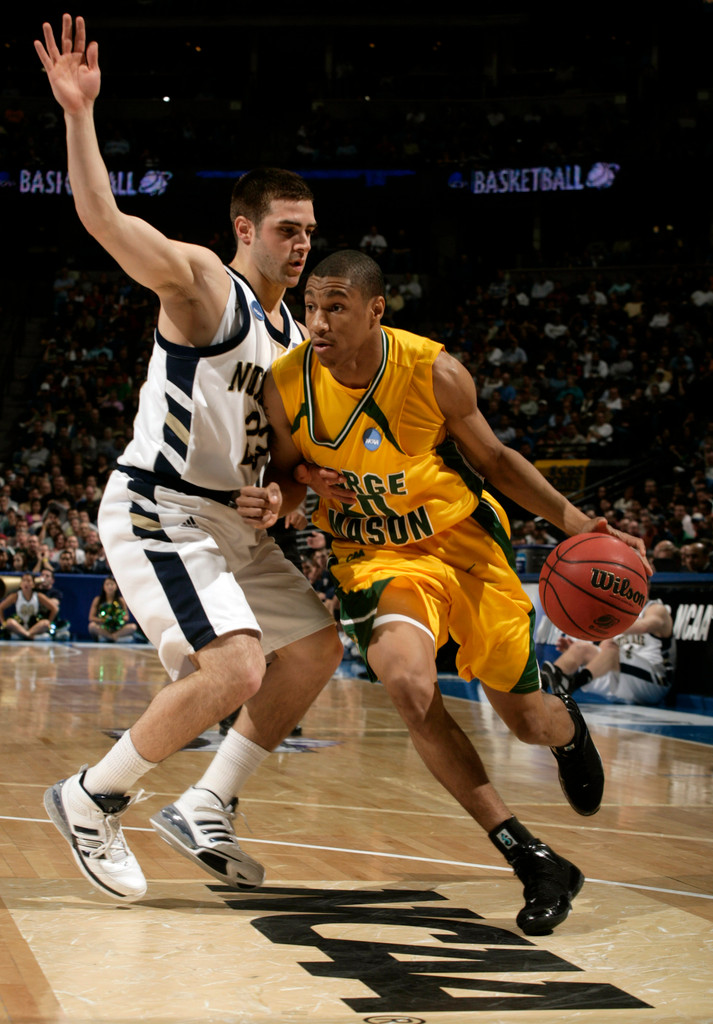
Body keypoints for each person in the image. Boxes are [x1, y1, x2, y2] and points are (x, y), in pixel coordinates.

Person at [241, 250, 650, 936]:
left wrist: (578, 524)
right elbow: (286, 475)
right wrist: (289, 492)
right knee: (407, 683)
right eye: (310, 306)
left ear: (376, 310)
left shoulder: (434, 372)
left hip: (462, 545)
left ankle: (565, 725)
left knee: (527, 722)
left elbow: (495, 461)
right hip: (376, 558)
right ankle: (531, 857)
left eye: (336, 307)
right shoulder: (286, 383)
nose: (318, 321)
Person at [36, 15, 342, 904]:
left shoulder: (298, 341)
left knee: (314, 648)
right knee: (237, 668)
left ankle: (208, 801)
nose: (302, 244)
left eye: (309, 231)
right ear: (245, 228)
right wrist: (79, 114)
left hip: (233, 526)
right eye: (286, 229)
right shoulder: (208, 284)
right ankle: (91, 798)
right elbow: (102, 218)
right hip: (161, 505)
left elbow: (288, 470)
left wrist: (281, 502)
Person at [540, 601, 675, 706]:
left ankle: (572, 685)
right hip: (622, 674)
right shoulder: (618, 616)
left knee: (611, 648)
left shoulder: (656, 609)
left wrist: (601, 623)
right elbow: (604, 649)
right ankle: (542, 690)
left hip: (655, 681)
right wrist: (577, 652)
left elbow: (644, 626)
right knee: (580, 648)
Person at [0, 572, 56, 640]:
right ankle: (30, 636)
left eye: (29, 581)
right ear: (20, 584)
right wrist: (3, 623)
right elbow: (1, 607)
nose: (26, 583)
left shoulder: (38, 596)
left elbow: (54, 608)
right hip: (19, 625)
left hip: (34, 625)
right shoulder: (15, 596)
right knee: (9, 622)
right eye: (24, 580)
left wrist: (49, 622)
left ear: (33, 585)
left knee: (45, 623)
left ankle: (24, 635)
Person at [88, 576, 138, 642]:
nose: (110, 587)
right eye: (107, 584)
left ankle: (109, 637)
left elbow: (126, 617)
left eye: (112, 584)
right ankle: (113, 638)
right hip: (104, 627)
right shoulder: (98, 600)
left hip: (117, 628)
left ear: (116, 586)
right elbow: (91, 618)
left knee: (133, 627)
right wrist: (104, 619)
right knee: (92, 626)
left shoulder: (121, 600)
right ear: (103, 587)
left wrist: (117, 619)